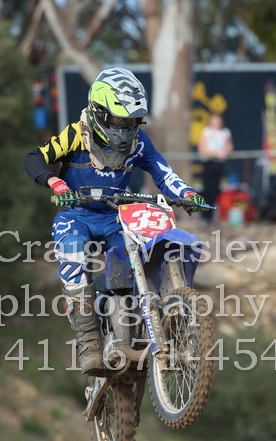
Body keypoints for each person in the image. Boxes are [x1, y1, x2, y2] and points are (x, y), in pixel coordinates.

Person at [24, 67, 206, 377]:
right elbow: (34, 157)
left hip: (115, 215)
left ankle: (132, 332)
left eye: (132, 122)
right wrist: (56, 183)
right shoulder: (76, 134)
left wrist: (187, 193)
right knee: (72, 254)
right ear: (98, 112)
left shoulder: (140, 142)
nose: (125, 130)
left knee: (135, 260)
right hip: (76, 214)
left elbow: (163, 173)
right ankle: (89, 345)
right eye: (118, 122)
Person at [198, 113, 233, 222]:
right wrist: (216, 153)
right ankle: (205, 216)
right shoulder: (206, 132)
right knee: (207, 190)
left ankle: (213, 215)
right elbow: (202, 149)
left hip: (219, 164)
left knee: (216, 190)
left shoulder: (225, 132)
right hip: (208, 163)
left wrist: (224, 152)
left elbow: (229, 147)